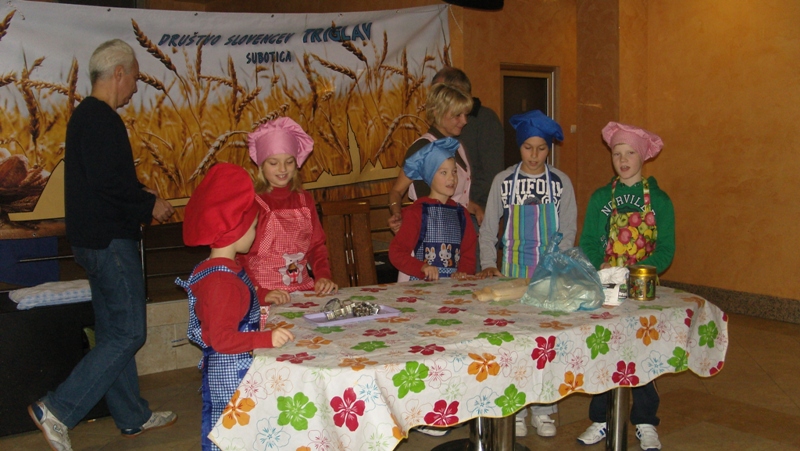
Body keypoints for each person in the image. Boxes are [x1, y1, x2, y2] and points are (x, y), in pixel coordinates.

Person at [28, 39, 177, 451]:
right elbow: (107, 184)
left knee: (114, 331)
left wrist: (140, 191)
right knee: (130, 333)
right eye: (135, 78)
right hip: (110, 242)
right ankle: (57, 408)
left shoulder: (88, 117)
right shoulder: (100, 119)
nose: (135, 87)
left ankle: (131, 416)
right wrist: (149, 204)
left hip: (96, 240)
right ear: (119, 73)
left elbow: (104, 181)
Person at [176, 163, 295, 451]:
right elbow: (222, 338)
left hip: (230, 367)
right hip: (232, 371)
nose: (254, 233)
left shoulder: (217, 268)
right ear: (235, 230)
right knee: (236, 434)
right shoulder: (222, 282)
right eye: (253, 227)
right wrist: (266, 339)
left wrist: (261, 296)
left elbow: (236, 303)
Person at [477, 109, 577, 438]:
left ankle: (544, 409)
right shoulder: (504, 182)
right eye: (527, 148)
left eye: (541, 149)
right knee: (515, 345)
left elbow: (568, 229)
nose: (534, 156)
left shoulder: (560, 183)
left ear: (550, 149)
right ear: (519, 147)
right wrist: (488, 264)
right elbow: (489, 229)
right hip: (510, 277)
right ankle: (516, 410)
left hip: (548, 276)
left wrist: (557, 266)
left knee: (546, 345)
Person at [576, 122, 675, 451]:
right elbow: (589, 241)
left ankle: (645, 421)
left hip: (643, 288)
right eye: (617, 153)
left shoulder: (659, 200)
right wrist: (602, 267)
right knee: (605, 349)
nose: (622, 159)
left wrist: (637, 271)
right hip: (607, 286)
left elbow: (666, 249)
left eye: (630, 152)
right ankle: (602, 418)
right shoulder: (601, 198)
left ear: (643, 156)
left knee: (643, 352)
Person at [238, 117, 337, 303]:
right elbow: (240, 258)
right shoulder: (253, 203)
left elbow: (316, 246)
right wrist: (260, 293)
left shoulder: (305, 199)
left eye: (289, 162)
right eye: (273, 163)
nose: (282, 169)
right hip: (265, 296)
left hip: (303, 291)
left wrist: (323, 276)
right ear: (261, 165)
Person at [387, 83, 479, 233]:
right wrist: (397, 214)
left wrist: (476, 209)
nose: (464, 121)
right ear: (437, 113)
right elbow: (397, 191)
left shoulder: (458, 145)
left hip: (458, 226)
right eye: (457, 115)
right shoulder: (423, 147)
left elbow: (458, 199)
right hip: (432, 229)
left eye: (465, 115)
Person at [389, 137, 477, 281]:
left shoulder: (461, 214)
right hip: (421, 288)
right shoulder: (417, 212)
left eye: (454, 172)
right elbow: (397, 252)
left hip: (453, 288)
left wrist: (463, 272)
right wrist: (421, 267)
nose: (452, 178)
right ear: (430, 175)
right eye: (444, 172)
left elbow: (468, 253)